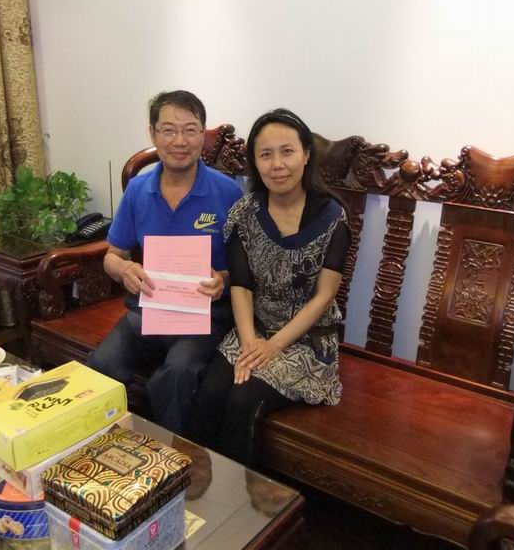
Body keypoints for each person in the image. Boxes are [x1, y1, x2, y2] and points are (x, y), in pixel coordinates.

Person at [186, 108, 350, 467]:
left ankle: (239, 498)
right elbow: (241, 286)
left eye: (287, 151)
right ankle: (195, 488)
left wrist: (274, 346)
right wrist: (250, 344)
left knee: (243, 400)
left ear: (306, 155)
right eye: (265, 154)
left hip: (307, 341)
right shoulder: (244, 213)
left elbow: (325, 295)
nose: (277, 164)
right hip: (253, 331)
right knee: (209, 393)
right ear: (255, 163)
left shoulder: (332, 216)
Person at [87, 90, 242, 435]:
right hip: (149, 310)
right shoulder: (138, 190)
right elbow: (113, 255)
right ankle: (102, 449)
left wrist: (223, 279)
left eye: (190, 130)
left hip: (204, 316)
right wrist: (125, 269)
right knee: (102, 364)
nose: (179, 141)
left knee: (179, 372)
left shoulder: (228, 193)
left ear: (202, 135)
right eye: (169, 130)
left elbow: (246, 268)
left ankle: (173, 457)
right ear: (153, 134)